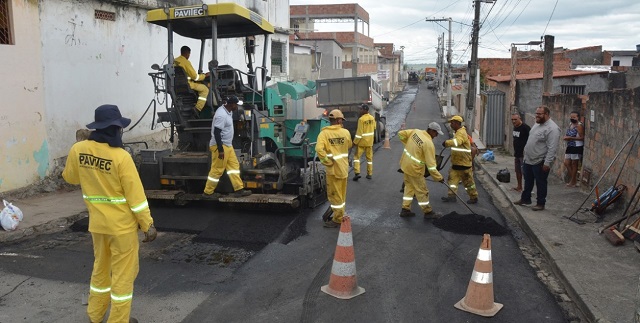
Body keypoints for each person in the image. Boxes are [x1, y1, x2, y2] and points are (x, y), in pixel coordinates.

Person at [62, 104, 156, 323]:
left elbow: (71, 178)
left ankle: (94, 316)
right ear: (115, 129)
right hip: (122, 229)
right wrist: (147, 225)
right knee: (123, 278)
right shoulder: (121, 157)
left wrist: (82, 151)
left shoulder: (79, 150)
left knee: (100, 273)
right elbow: (137, 198)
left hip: (98, 226)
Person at [203, 96, 252, 198]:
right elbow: (217, 133)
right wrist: (220, 150)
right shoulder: (221, 115)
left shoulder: (228, 111)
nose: (237, 106)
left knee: (234, 167)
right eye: (236, 104)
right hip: (220, 146)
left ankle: (239, 189)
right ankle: (207, 192)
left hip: (228, 146)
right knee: (217, 170)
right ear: (232, 104)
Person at [514, 105, 561, 211]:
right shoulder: (537, 123)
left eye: (539, 114)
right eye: (536, 113)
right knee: (528, 180)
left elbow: (552, 148)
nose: (537, 116)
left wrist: (547, 163)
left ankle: (540, 203)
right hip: (529, 159)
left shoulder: (552, 129)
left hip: (540, 161)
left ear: (547, 114)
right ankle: (525, 199)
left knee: (541, 182)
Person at [398, 122, 445, 219]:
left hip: (405, 165)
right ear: (431, 131)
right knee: (422, 191)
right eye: (436, 133)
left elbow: (401, 134)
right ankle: (428, 212)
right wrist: (439, 178)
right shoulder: (428, 143)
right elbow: (432, 167)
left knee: (409, 188)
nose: (436, 136)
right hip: (415, 170)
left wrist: (408, 144)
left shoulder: (416, 132)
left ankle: (405, 209)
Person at [316, 109, 353, 228]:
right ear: (338, 120)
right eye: (341, 120)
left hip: (333, 170)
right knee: (341, 194)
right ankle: (339, 213)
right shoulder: (346, 133)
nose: (342, 122)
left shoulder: (324, 134)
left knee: (334, 195)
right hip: (343, 168)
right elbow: (349, 145)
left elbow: (319, 149)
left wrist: (327, 162)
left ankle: (337, 219)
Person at [441, 115, 478, 204]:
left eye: (452, 123)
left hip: (464, 164)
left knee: (468, 182)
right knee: (452, 180)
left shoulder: (461, 133)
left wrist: (446, 143)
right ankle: (451, 196)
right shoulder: (457, 132)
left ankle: (473, 197)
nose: (451, 125)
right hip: (456, 163)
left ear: (457, 123)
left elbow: (457, 142)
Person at [174, 45, 209, 113]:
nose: (189, 56)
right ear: (187, 53)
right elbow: (195, 77)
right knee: (205, 89)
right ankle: (197, 109)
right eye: (189, 54)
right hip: (188, 84)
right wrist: (205, 75)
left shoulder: (175, 61)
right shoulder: (186, 62)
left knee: (199, 84)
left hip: (177, 84)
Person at [352, 104, 376, 181]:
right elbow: (374, 127)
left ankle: (357, 173)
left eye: (361, 109)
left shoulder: (361, 119)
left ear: (365, 110)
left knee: (356, 157)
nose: (360, 110)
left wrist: (355, 142)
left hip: (362, 143)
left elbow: (359, 133)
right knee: (369, 159)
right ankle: (369, 174)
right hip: (370, 142)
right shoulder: (372, 118)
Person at [563, 111, 584, 187]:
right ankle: (574, 180)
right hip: (570, 145)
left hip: (576, 146)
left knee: (574, 164)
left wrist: (570, 138)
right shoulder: (570, 124)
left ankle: (573, 181)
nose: (572, 118)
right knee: (566, 163)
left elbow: (582, 138)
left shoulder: (579, 126)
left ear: (578, 117)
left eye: (574, 117)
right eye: (571, 117)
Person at [511, 112, 531, 192]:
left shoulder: (525, 128)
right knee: (517, 171)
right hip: (517, 153)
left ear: (520, 119)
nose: (513, 121)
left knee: (525, 172)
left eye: (515, 119)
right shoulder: (515, 128)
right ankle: (519, 187)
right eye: (512, 120)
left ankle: (528, 188)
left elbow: (531, 140)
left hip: (524, 154)